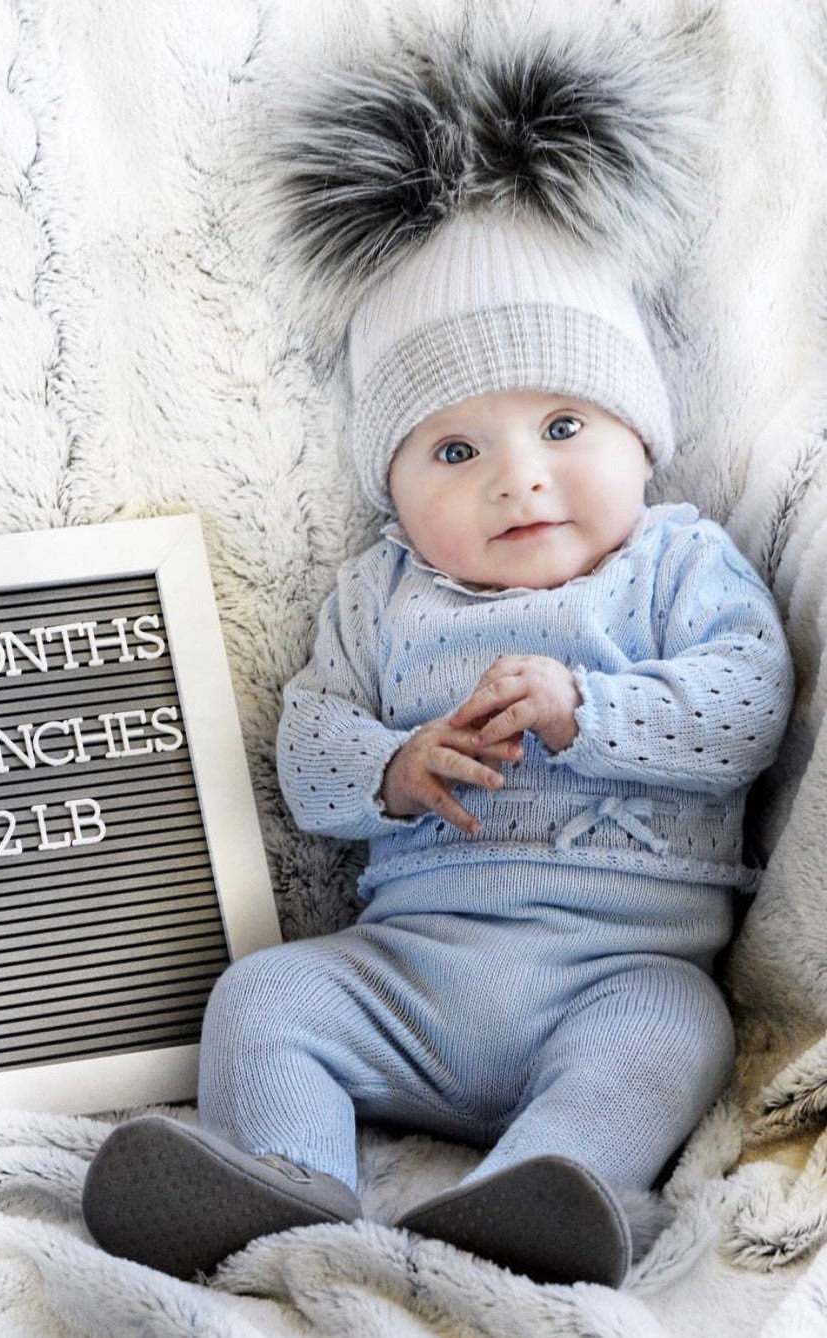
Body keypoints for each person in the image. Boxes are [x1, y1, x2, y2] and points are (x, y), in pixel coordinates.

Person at [82, 31, 794, 1288]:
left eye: (563, 425)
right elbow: (309, 747)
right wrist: (394, 767)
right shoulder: (381, 595)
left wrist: (589, 708)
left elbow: (748, 705)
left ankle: (548, 1187)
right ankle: (291, 1176)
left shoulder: (678, 563)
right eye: (454, 452)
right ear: (394, 486)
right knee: (263, 997)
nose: (519, 477)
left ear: (641, 438)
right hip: (407, 975)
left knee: (675, 1032)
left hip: (614, 972)